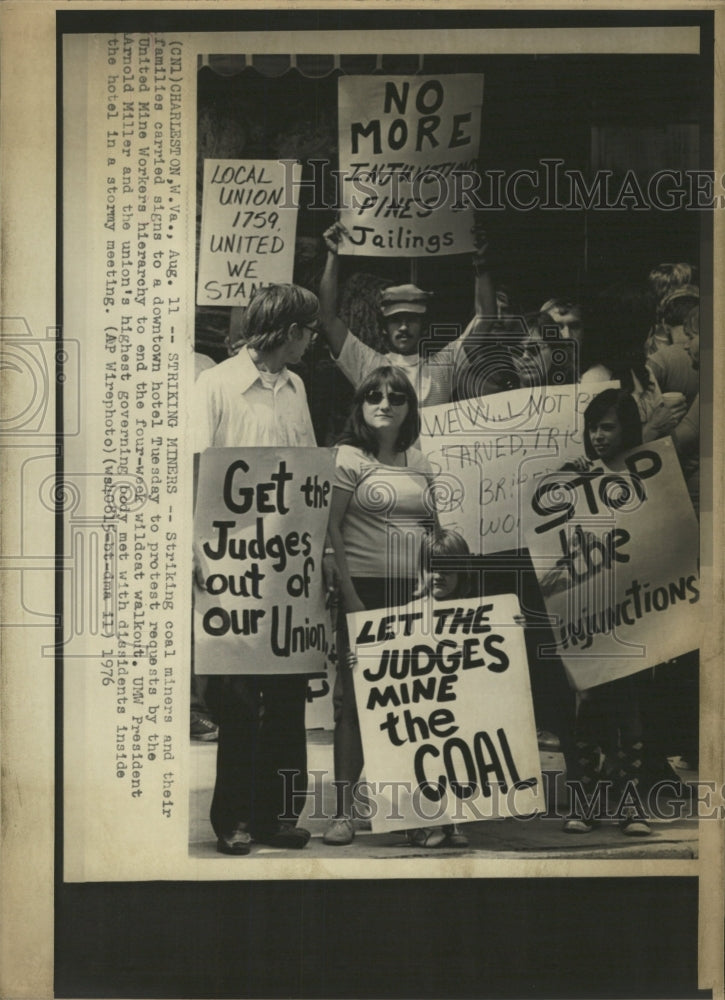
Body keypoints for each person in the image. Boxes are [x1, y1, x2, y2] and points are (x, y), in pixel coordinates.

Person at [193, 283, 322, 855]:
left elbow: (308, 476)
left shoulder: (297, 389)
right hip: (233, 566)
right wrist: (191, 555)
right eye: (309, 330)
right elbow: (193, 473)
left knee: (289, 696)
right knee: (240, 698)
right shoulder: (216, 386)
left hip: (289, 567)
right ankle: (234, 820)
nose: (313, 340)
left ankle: (277, 814)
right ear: (290, 332)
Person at [323, 366, 437, 846]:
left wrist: (431, 578)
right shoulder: (347, 457)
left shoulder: (422, 462)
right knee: (354, 702)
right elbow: (330, 530)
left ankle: (408, 811)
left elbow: (433, 529)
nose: (384, 403)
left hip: (411, 593)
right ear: (360, 404)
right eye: (373, 395)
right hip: (363, 590)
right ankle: (344, 814)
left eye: (396, 397)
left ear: (410, 408)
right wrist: (348, 596)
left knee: (410, 703)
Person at [560, 389, 652, 836]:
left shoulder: (650, 477)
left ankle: (632, 806)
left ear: (626, 429)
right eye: (593, 427)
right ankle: (586, 804)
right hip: (586, 616)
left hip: (635, 613)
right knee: (588, 709)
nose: (598, 436)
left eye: (608, 426)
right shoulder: (574, 477)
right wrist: (567, 483)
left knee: (629, 712)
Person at [318, 222, 498, 408]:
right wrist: (333, 255)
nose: (404, 327)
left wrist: (480, 263)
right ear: (384, 328)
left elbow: (485, 319)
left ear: (424, 327)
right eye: (396, 320)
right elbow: (328, 320)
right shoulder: (368, 364)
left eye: (412, 320)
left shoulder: (442, 367)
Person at [404, 529, 474, 849]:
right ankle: (423, 820)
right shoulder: (409, 612)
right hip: (422, 708)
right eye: (431, 567)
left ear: (462, 571)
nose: (438, 575)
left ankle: (455, 818)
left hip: (460, 705)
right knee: (421, 755)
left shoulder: (478, 614)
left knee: (459, 754)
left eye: (447, 568)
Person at [579, 282, 687, 441]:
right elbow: (599, 452)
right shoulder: (595, 379)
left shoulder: (641, 371)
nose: (653, 330)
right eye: (648, 323)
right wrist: (654, 427)